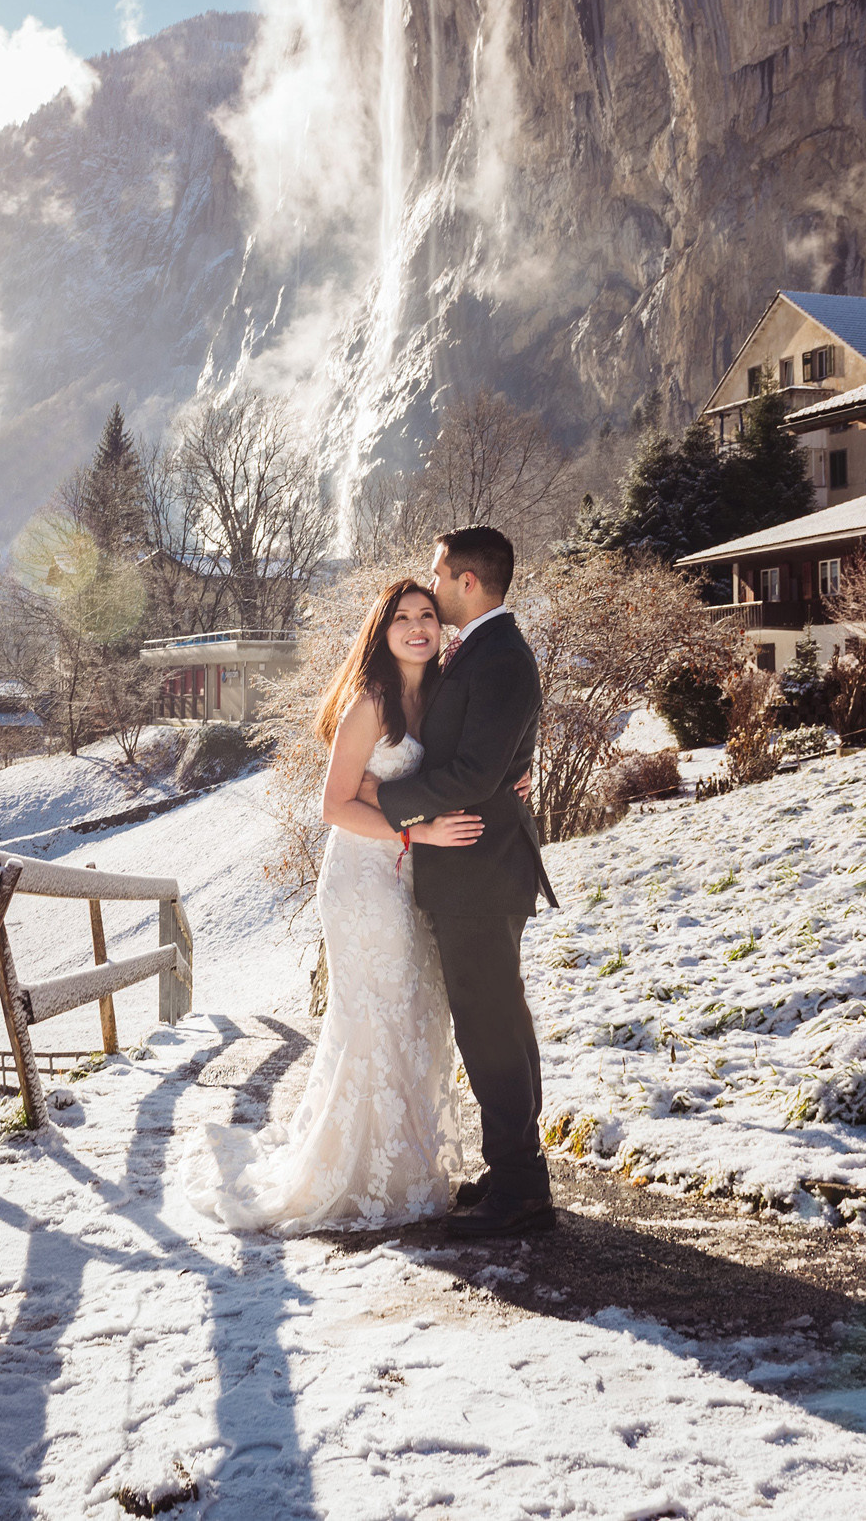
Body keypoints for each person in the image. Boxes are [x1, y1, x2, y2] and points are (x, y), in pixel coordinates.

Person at [182, 578, 482, 1233]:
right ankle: (361, 1175)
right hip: (361, 882)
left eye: (426, 615)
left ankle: (405, 1165)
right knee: (375, 1017)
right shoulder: (371, 703)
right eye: (401, 617)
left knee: (412, 1011)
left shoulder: (434, 695)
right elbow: (334, 805)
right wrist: (419, 831)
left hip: (405, 879)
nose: (416, 626)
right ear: (382, 631)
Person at [366, 525, 558, 1237]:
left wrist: (381, 805)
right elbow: (490, 758)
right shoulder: (478, 650)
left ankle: (521, 1184)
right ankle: (516, 1167)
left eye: (437, 574)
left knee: (493, 1027)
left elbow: (476, 772)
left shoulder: (501, 656)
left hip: (481, 870)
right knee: (496, 1021)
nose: (433, 585)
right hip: (477, 866)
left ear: (466, 581)